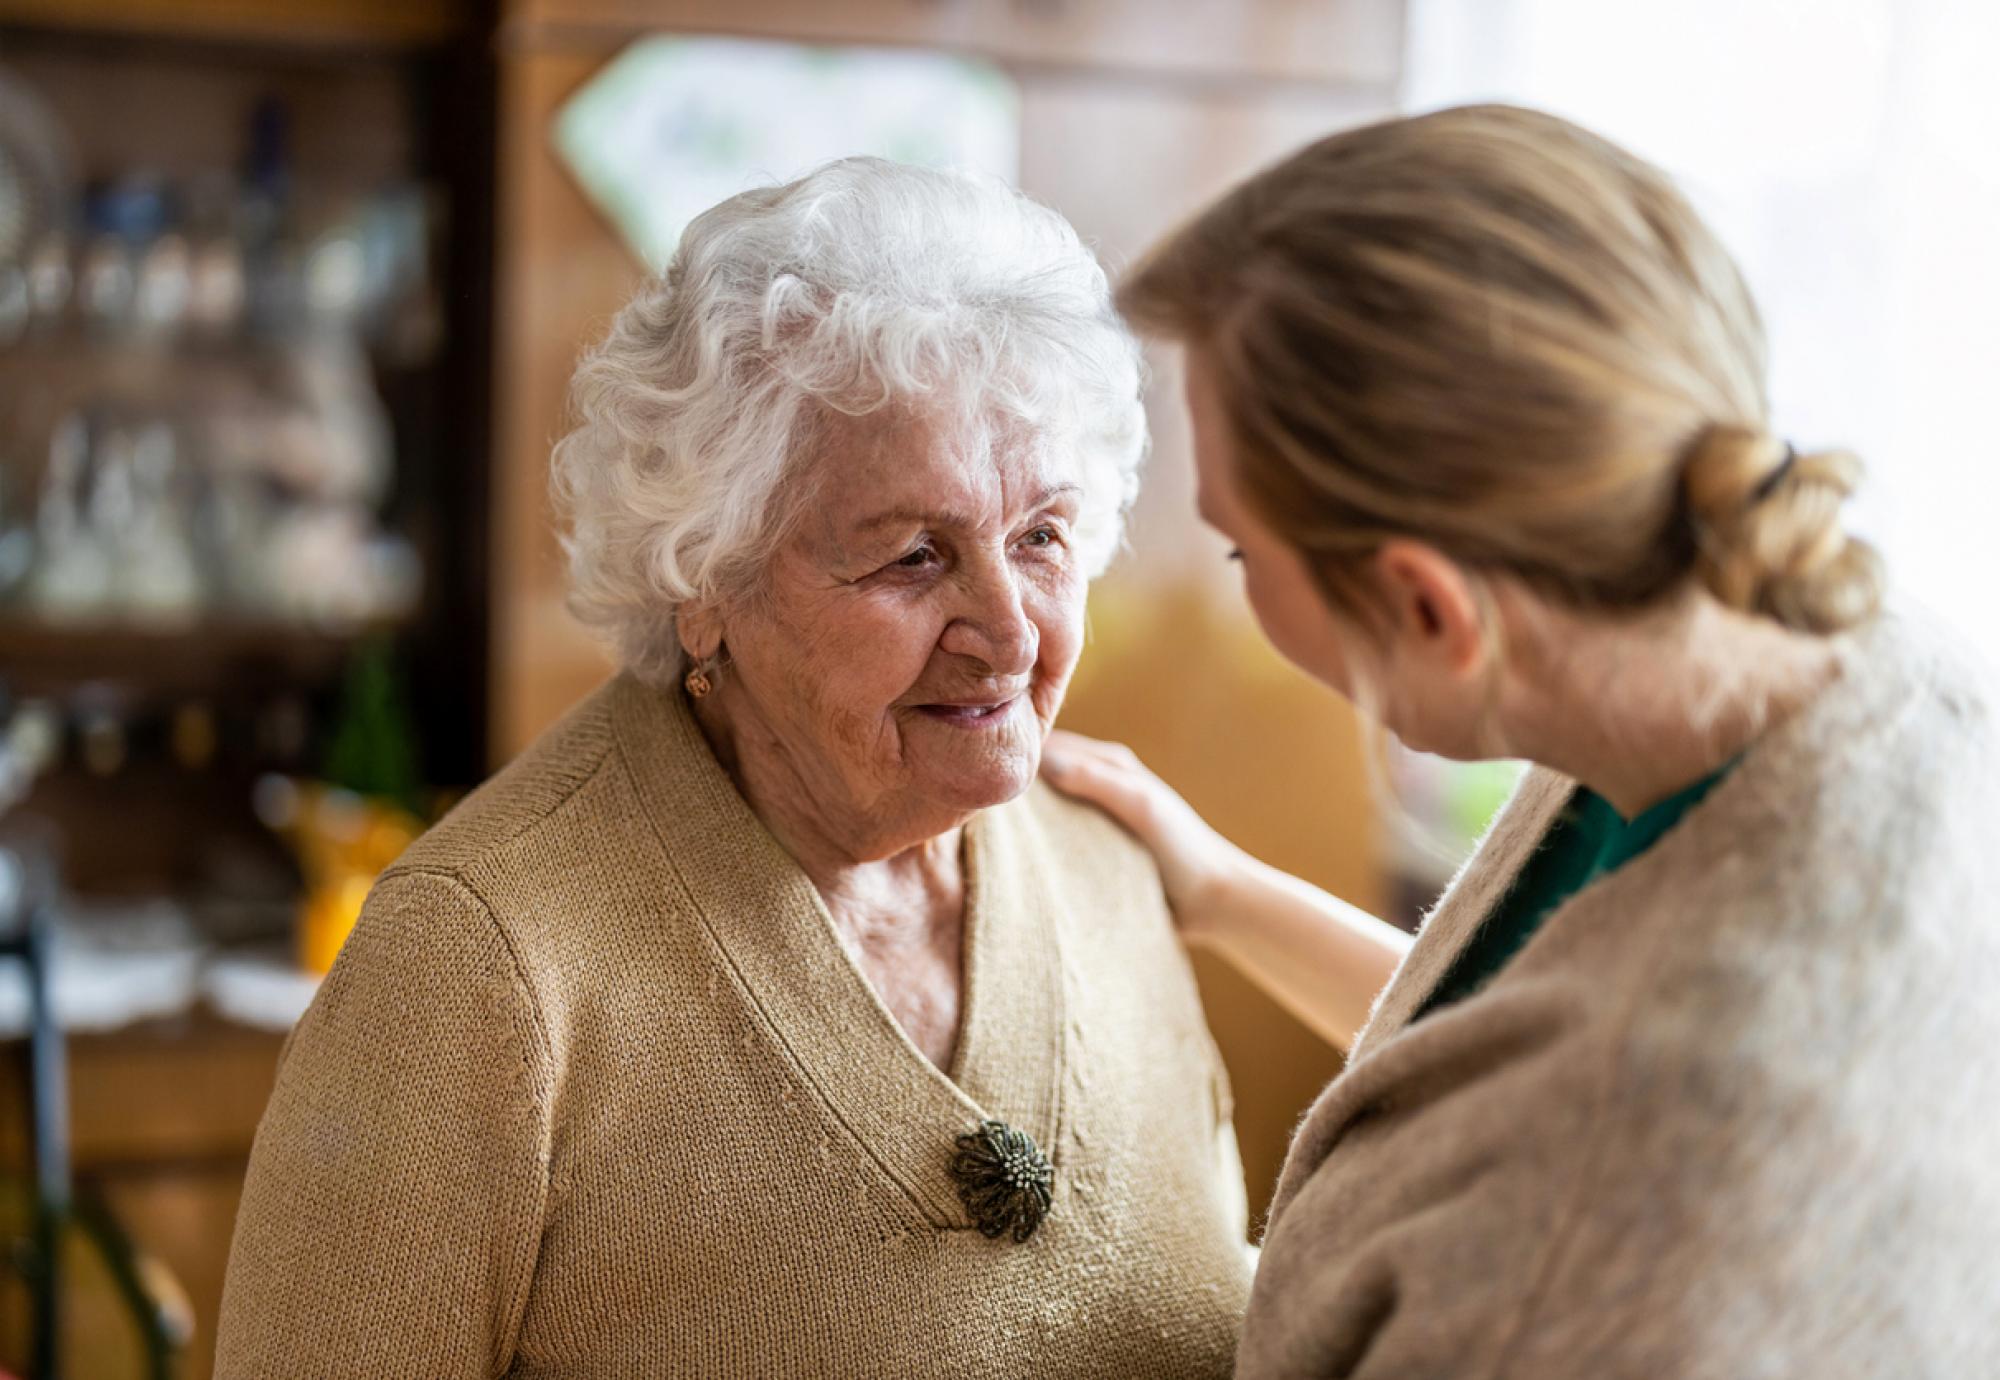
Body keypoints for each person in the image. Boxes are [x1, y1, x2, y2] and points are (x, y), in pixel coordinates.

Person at [215, 159, 1251, 1379]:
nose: (1011, 633)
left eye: (1041, 539)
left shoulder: (1111, 869)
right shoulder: (479, 968)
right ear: (704, 583)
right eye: (914, 557)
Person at [1043, 104, 2000, 1377]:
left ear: (1428, 608)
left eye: (1237, 549)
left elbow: (1578, 1124)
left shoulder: (1615, 1215)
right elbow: (1517, 1044)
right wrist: (1219, 891)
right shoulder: (1818, 648)